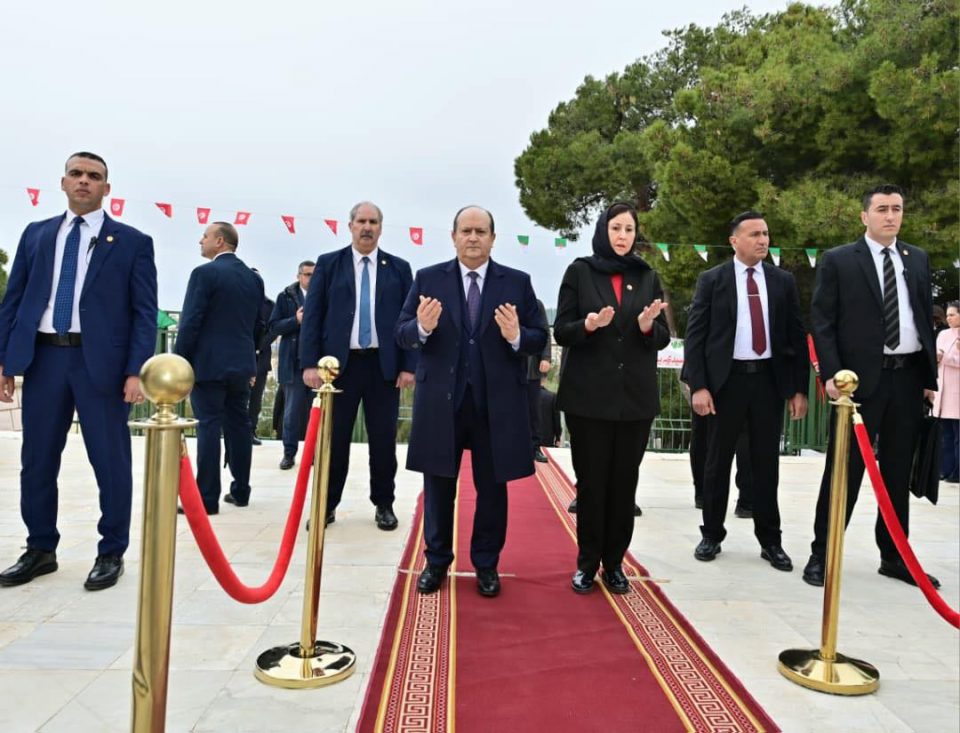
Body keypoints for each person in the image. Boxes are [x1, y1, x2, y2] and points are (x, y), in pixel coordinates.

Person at [0, 151, 157, 590]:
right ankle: (39, 548)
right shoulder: (36, 234)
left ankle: (111, 552)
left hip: (100, 366)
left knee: (109, 460)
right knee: (36, 459)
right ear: (63, 182)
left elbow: (144, 312)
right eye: (76, 173)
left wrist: (135, 371)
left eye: (93, 176)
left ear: (107, 188)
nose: (84, 180)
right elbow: (14, 300)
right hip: (45, 359)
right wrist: (5, 359)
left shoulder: (132, 242)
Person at [396, 205, 547, 597]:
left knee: (492, 490)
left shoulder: (516, 282)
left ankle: (486, 564)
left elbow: (538, 337)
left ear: (493, 238)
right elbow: (402, 333)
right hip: (441, 402)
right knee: (438, 487)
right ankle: (436, 561)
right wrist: (422, 327)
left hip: (495, 405)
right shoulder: (428, 279)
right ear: (454, 237)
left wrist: (516, 336)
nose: (473, 238)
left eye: (481, 231)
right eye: (466, 231)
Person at [803, 184, 940, 589]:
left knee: (898, 471)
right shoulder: (840, 260)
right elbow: (823, 321)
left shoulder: (917, 259)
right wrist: (832, 374)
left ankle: (895, 556)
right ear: (864, 216)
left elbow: (921, 319)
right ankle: (822, 553)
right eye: (882, 209)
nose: (890, 216)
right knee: (843, 471)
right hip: (858, 383)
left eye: (897, 208)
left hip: (907, 378)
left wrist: (928, 377)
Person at [554, 202, 670, 594]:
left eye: (629, 229)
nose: (623, 236)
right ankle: (587, 564)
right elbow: (562, 330)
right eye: (616, 228)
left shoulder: (647, 275)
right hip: (589, 399)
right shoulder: (580, 271)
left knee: (623, 486)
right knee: (592, 485)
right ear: (603, 230)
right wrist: (587, 326)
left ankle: (615, 563)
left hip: (634, 400)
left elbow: (662, 336)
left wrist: (646, 326)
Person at [684, 211, 808, 571]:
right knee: (717, 462)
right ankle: (711, 534)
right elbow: (696, 336)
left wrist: (798, 389)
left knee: (766, 463)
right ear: (734, 241)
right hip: (726, 383)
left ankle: (771, 541)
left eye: (765, 233)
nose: (763, 240)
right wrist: (699, 386)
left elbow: (796, 336)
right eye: (754, 234)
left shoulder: (782, 281)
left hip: (768, 382)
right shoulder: (713, 280)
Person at [301, 202, 416, 530]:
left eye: (373, 222)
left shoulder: (399, 268)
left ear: (381, 227)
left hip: (383, 367)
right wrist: (309, 364)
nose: (367, 227)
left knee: (383, 441)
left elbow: (408, 319)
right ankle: (327, 505)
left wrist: (409, 365)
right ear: (350, 225)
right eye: (361, 221)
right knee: (333, 440)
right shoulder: (329, 264)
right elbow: (313, 316)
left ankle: (384, 504)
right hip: (337, 369)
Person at [175, 222, 264, 514]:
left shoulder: (204, 273)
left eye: (205, 236)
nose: (200, 241)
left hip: (209, 364)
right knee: (239, 426)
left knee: (209, 426)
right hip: (241, 364)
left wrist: (180, 360)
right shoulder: (253, 279)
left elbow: (190, 322)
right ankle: (241, 491)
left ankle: (206, 498)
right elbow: (258, 325)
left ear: (220, 241)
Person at [270, 260, 315, 468]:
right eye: (307, 274)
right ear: (299, 276)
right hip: (293, 363)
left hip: (317, 364)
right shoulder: (286, 296)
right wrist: (295, 321)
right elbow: (274, 326)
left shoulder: (325, 295)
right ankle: (289, 453)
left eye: (314, 274)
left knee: (316, 412)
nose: (311, 278)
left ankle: (313, 453)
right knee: (292, 412)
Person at [248, 270, 275, 446]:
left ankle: (251, 431)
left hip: (261, 358)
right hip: (241, 356)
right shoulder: (240, 302)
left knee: (256, 399)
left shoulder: (270, 305)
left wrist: (259, 346)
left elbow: (273, 329)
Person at [933, 301, 959, 483]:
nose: (948, 318)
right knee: (945, 434)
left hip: (956, 390)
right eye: (948, 315)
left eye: (952, 314)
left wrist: (944, 358)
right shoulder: (943, 334)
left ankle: (958, 471)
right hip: (942, 389)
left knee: (958, 435)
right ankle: (945, 469)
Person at [526, 299, 552, 462]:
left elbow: (545, 333)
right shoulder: (502, 301)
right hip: (507, 370)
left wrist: (546, 357)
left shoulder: (536, 304)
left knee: (533, 412)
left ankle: (534, 448)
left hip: (532, 369)